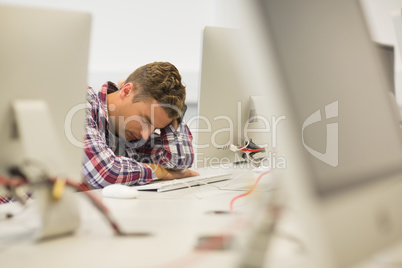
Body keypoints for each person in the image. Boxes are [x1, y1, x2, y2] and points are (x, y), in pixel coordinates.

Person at [83, 62, 198, 188]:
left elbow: (180, 160)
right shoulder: (83, 101)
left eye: (157, 128)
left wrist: (176, 117)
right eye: (146, 121)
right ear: (126, 91)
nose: (146, 135)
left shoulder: (133, 134)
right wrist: (159, 172)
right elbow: (105, 172)